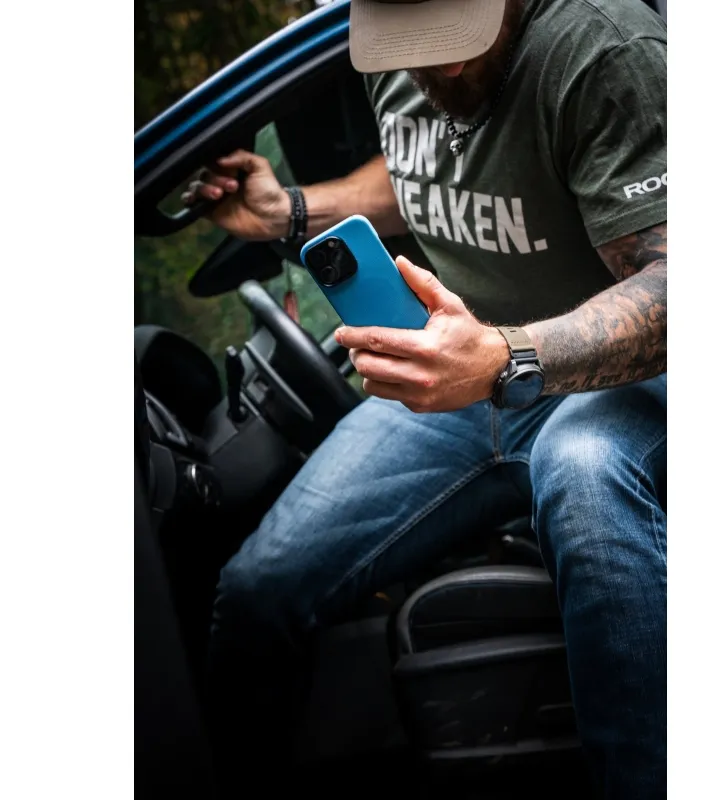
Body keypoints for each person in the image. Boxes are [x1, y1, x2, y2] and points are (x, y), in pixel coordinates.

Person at [187, 0, 667, 797]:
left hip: (613, 379)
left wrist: (507, 356)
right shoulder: (393, 46)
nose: (438, 65)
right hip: (463, 375)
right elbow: (423, 163)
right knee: (258, 590)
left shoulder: (601, 49)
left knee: (583, 467)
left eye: (457, 41)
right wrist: (292, 210)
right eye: (412, 47)